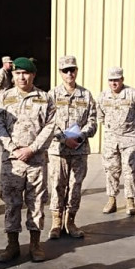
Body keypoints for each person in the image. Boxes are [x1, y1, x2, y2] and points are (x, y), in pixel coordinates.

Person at [0, 57, 57, 263]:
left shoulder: (45, 98)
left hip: (36, 160)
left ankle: (35, 244)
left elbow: (50, 126)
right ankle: (12, 244)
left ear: (33, 75)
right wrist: (13, 149)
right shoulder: (3, 98)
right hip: (12, 161)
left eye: (26, 73)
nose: (22, 77)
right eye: (18, 73)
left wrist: (32, 148)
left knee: (36, 202)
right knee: (11, 202)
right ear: (13, 75)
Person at [47, 55, 97, 239]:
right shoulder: (51, 95)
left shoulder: (86, 95)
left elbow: (92, 120)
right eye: (65, 70)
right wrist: (63, 138)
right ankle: (56, 222)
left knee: (75, 186)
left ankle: (71, 222)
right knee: (58, 185)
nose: (70, 73)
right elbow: (48, 122)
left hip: (79, 149)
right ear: (60, 72)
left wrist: (81, 135)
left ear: (77, 71)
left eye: (72, 69)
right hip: (58, 150)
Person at [97, 66, 135, 216]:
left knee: (130, 169)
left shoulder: (133, 94)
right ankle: (111, 199)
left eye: (117, 80)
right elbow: (100, 116)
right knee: (111, 170)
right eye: (111, 80)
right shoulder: (103, 96)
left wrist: (129, 129)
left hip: (129, 138)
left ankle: (130, 201)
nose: (114, 83)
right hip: (110, 139)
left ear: (122, 80)